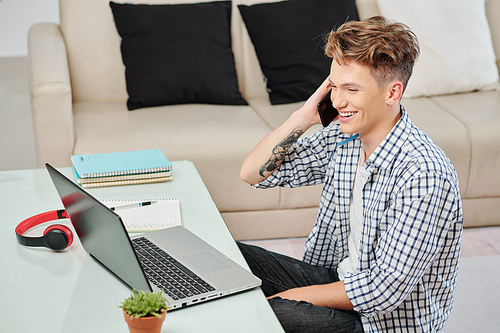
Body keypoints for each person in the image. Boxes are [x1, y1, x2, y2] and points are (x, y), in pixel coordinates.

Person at [238, 16, 463, 333]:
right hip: (341, 279)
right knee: (229, 258)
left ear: (392, 92)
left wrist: (290, 299)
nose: (338, 101)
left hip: (383, 323)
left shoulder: (423, 174)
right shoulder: (343, 139)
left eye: (352, 89)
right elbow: (252, 173)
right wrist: (302, 118)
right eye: (333, 86)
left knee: (266, 314)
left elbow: (383, 291)